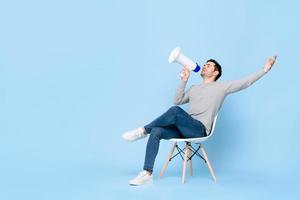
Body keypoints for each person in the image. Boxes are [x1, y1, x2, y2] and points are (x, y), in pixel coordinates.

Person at [122, 56, 277, 186]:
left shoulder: (222, 87)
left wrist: (265, 70)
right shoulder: (194, 88)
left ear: (216, 72)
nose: (204, 66)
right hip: (184, 128)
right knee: (157, 131)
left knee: (174, 113)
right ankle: (147, 173)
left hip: (199, 129)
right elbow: (177, 101)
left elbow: (246, 82)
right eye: (204, 64)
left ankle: (142, 131)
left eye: (208, 66)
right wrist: (183, 81)